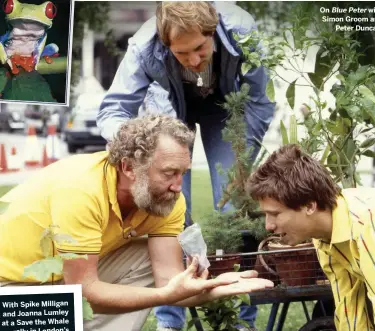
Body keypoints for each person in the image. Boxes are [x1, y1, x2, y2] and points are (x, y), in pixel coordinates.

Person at [0, 115, 273, 331]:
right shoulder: (81, 190)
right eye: (169, 173)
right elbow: (84, 292)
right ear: (129, 167)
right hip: (11, 293)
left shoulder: (166, 200)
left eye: (183, 173)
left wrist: (212, 289)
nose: (179, 186)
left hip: (62, 281)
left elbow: (169, 280)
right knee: (71, 306)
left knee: (146, 256)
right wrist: (165, 296)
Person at [98, 2, 275, 329]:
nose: (194, 61)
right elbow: (113, 111)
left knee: (233, 209)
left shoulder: (243, 31)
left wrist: (242, 152)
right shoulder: (142, 47)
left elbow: (261, 102)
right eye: (181, 54)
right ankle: (171, 319)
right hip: (167, 109)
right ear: (165, 44)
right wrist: (136, 152)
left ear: (213, 31)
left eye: (200, 48)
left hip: (224, 108)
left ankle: (241, 319)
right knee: (169, 207)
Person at [246, 144, 375, 330]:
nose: (268, 225)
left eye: (275, 213)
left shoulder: (373, 222)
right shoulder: (326, 235)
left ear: (309, 206)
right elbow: (350, 308)